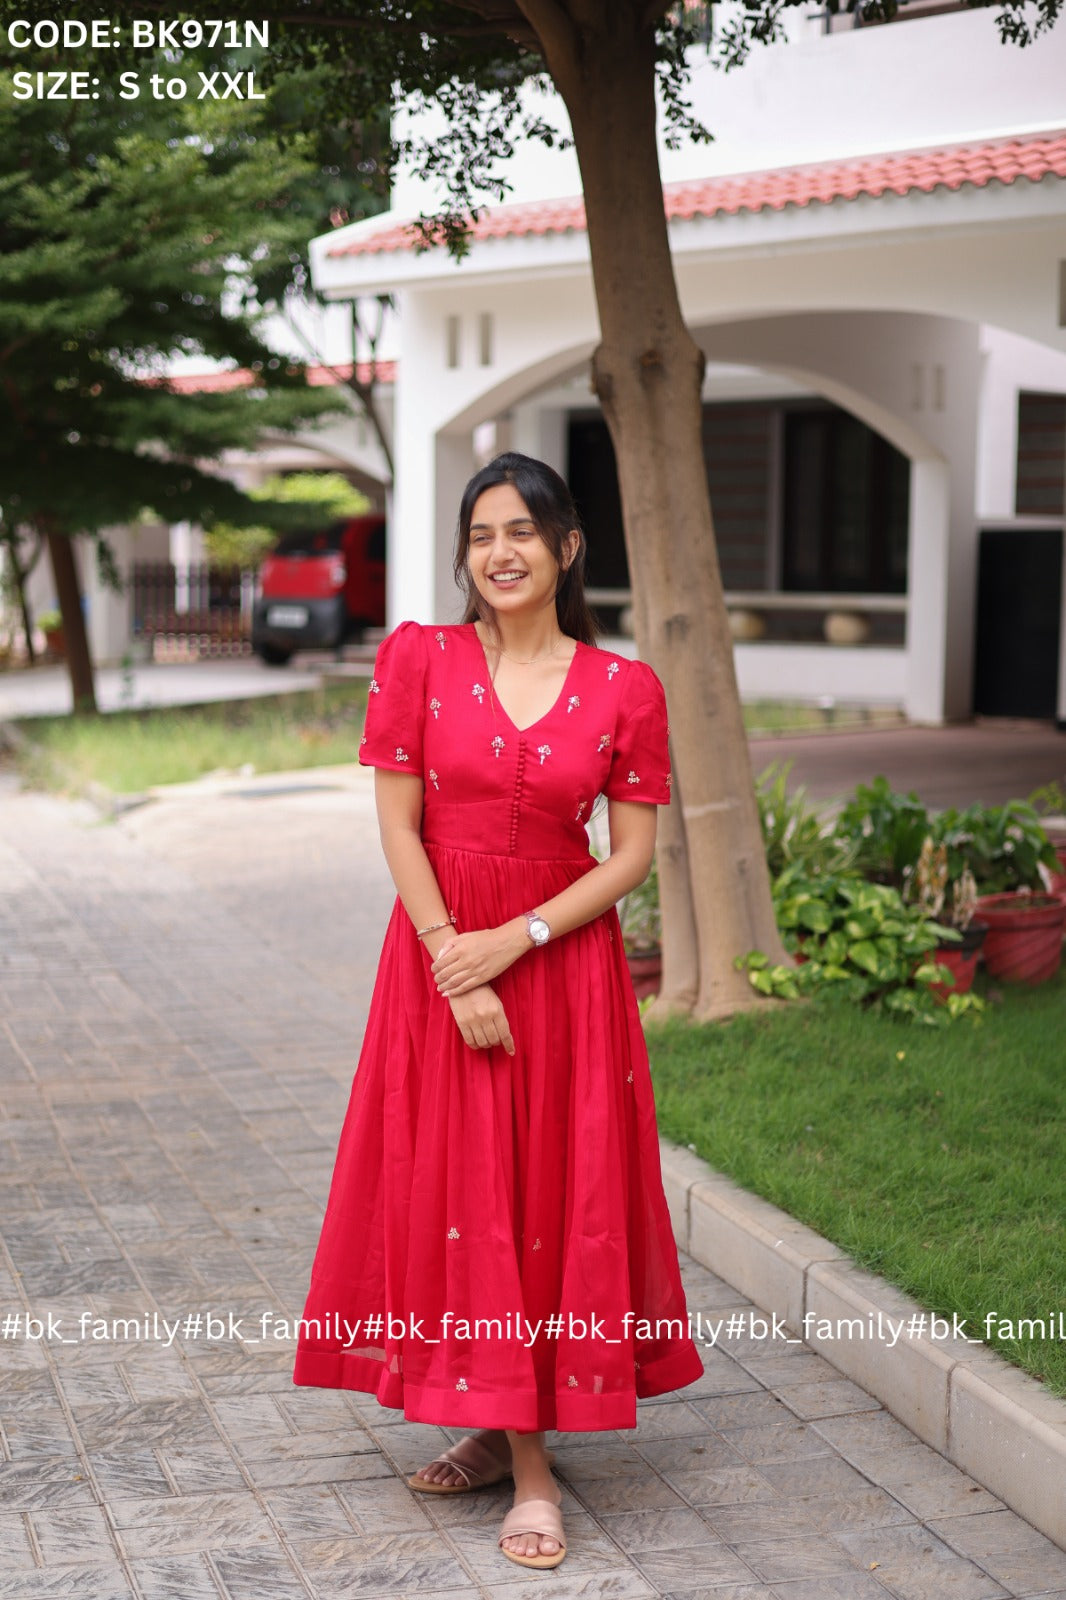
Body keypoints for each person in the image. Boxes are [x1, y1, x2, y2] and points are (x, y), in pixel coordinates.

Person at [293, 452, 703, 1571]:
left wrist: (513, 944)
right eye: (481, 534)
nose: (501, 552)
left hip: (557, 967)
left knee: (536, 1190)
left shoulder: (625, 689)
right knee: (463, 1187)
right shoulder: (418, 659)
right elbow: (398, 828)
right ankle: (497, 1428)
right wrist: (452, 963)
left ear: (568, 547)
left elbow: (627, 861)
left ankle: (529, 1464)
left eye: (524, 530)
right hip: (439, 956)